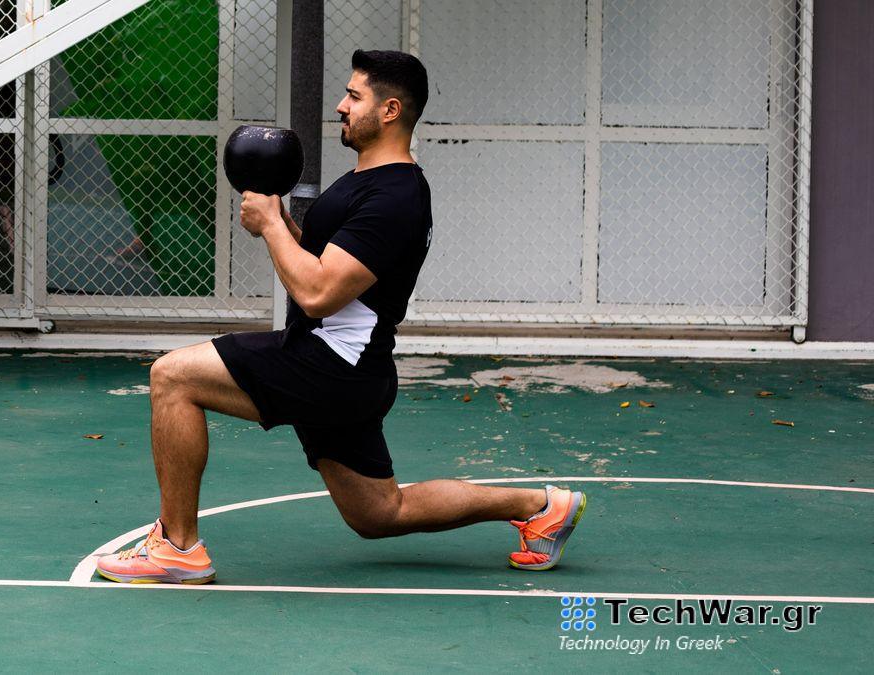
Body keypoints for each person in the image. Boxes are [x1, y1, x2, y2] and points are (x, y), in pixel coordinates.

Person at [96, 50, 587, 585]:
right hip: (350, 366)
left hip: (331, 362)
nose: (341, 106)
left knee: (173, 377)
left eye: (355, 97)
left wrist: (271, 228)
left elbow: (319, 293)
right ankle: (541, 506)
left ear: (391, 109)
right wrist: (281, 224)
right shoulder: (367, 182)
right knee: (380, 513)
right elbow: (335, 269)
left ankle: (177, 548)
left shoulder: (395, 195)